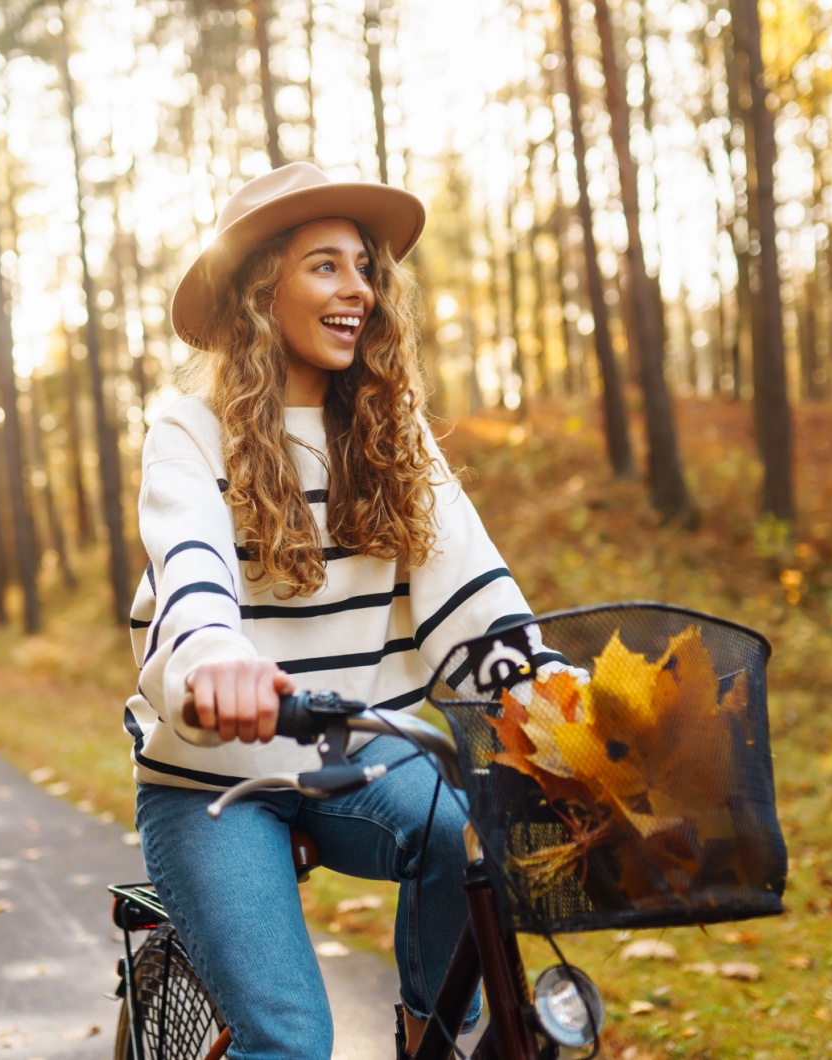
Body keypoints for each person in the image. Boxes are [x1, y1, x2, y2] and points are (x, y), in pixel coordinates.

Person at [127, 162, 538, 1060]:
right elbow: (190, 569)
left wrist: (547, 689)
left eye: (364, 267)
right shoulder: (188, 428)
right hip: (214, 781)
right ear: (257, 289)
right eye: (326, 266)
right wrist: (211, 660)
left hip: (355, 751)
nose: (359, 288)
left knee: (459, 830)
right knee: (290, 1041)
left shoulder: (393, 433)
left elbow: (473, 591)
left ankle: (429, 1036)